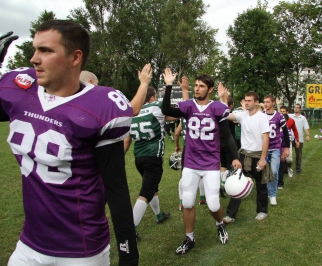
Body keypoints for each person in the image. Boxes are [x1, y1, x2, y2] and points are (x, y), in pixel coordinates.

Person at [0, 20, 153, 266]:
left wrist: (128, 254)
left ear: (75, 57)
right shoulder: (20, 89)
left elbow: (116, 188)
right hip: (29, 243)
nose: (33, 59)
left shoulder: (100, 107)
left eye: (46, 50)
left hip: (81, 249)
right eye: (35, 49)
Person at [161, 68, 242, 255]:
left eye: (201, 86)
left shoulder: (216, 108)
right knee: (188, 200)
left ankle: (220, 224)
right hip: (190, 162)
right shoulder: (188, 105)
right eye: (195, 86)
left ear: (210, 89)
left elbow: (227, 136)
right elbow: (166, 110)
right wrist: (168, 85)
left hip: (211, 163)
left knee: (213, 203)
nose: (197, 89)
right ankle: (189, 238)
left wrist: (235, 157)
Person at [124, 86, 175, 241]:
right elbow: (174, 115)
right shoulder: (157, 107)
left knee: (153, 188)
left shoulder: (133, 112)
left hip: (139, 158)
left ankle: (159, 215)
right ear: (153, 97)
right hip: (153, 157)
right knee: (145, 193)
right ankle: (129, 230)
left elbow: (127, 140)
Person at [222, 91, 270, 224]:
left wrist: (263, 159)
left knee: (261, 186)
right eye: (245, 100)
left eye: (249, 100)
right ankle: (230, 215)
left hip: (258, 155)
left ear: (256, 102)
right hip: (243, 155)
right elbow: (225, 114)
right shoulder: (242, 115)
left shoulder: (262, 117)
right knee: (237, 183)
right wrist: (222, 97)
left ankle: (262, 211)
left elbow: (266, 139)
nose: (246, 102)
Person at [263, 95, 290, 205]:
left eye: (268, 102)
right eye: (264, 102)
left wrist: (287, 147)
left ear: (273, 103)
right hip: (263, 148)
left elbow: (285, 132)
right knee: (262, 172)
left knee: (274, 171)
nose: (265, 104)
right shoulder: (261, 115)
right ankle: (264, 192)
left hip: (275, 148)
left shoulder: (279, 116)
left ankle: (272, 195)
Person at [289, 104, 310, 174]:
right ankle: (286, 169)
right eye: (295, 107)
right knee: (288, 155)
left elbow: (306, 127)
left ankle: (298, 169)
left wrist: (308, 135)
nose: (296, 109)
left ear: (300, 109)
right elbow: (281, 114)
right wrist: (278, 105)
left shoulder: (303, 118)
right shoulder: (290, 116)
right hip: (290, 139)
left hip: (299, 139)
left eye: (298, 108)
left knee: (298, 155)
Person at [279, 106, 300, 180]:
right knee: (279, 158)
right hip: (278, 142)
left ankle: (289, 168)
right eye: (280, 111)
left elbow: (295, 130)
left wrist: (297, 140)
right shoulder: (277, 119)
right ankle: (279, 173)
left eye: (283, 111)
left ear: (287, 112)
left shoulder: (291, 120)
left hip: (288, 142)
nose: (281, 113)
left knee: (289, 159)